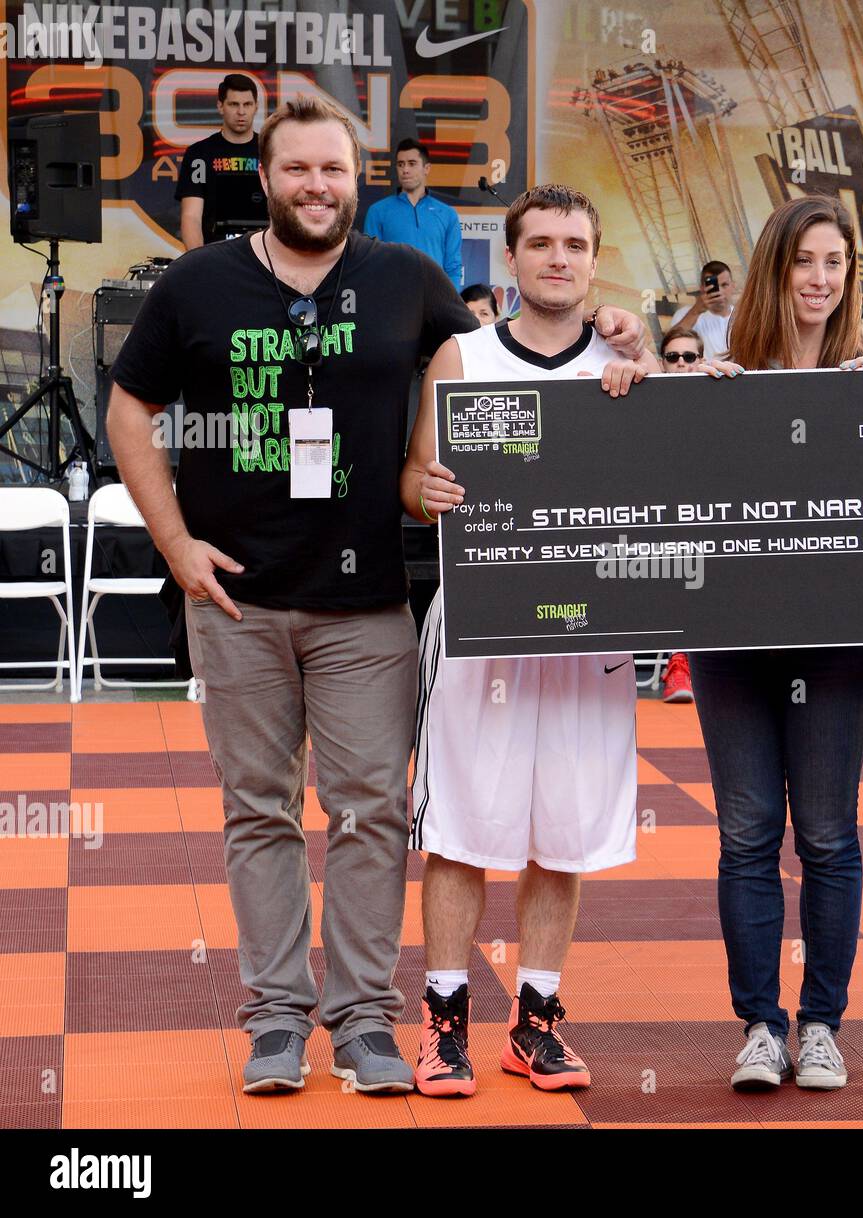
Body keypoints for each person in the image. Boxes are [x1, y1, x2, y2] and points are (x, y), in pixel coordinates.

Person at [108, 102, 650, 1098]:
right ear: (264, 178)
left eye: (336, 169)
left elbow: (506, 352)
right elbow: (127, 409)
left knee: (371, 817)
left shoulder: (407, 278)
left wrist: (623, 327)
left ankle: (363, 1021)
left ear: (358, 178)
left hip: (367, 607)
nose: (320, 184)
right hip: (236, 604)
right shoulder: (197, 282)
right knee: (257, 813)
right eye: (300, 169)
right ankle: (276, 1017)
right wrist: (175, 542)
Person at [401, 184, 660, 1098]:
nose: (559, 257)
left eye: (575, 244)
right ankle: (443, 1024)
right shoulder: (462, 355)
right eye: (541, 242)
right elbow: (413, 478)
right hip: (483, 631)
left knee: (566, 830)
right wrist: (423, 490)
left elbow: (680, 478)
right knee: (461, 827)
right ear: (509, 259)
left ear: (595, 259)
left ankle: (538, 1022)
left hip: (592, 638)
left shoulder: (626, 365)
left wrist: (655, 368)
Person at [689, 195, 863, 1092]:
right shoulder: (723, 370)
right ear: (775, 268)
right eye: (805, 261)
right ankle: (760, 1027)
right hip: (734, 635)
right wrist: (676, 394)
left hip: (839, 638)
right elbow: (666, 475)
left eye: (835, 263)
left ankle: (822, 1025)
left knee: (827, 834)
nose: (820, 279)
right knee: (745, 833)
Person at [656, 324, 705, 703]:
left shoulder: (722, 397)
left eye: (690, 357)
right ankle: (680, 665)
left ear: (701, 361)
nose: (682, 364)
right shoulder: (645, 400)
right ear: (662, 363)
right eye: (674, 358)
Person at [176, 72, 267, 249]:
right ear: (220, 106)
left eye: (247, 104)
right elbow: (191, 217)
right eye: (234, 104)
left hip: (265, 255)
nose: (241, 112)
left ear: (256, 107)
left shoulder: (271, 152)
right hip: (215, 253)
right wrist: (200, 262)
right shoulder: (199, 154)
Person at [363, 137, 464, 288]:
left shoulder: (447, 214)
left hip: (435, 301)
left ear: (427, 168)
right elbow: (370, 264)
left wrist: (449, 306)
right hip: (394, 300)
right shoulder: (378, 211)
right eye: (400, 164)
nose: (405, 170)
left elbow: (453, 268)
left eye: (412, 163)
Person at [671, 260, 736, 360]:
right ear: (702, 288)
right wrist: (696, 311)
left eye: (724, 285)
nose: (719, 291)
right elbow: (671, 344)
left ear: (733, 286)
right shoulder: (685, 314)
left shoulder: (742, 316)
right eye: (714, 287)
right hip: (703, 374)